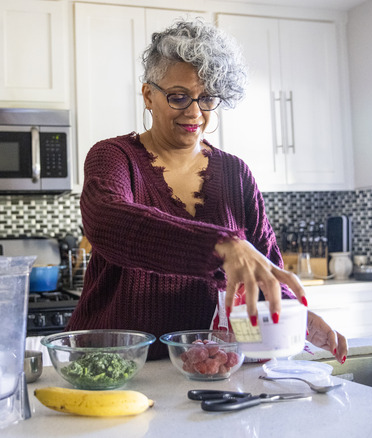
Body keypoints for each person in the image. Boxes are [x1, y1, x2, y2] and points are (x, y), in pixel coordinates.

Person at [65, 18, 347, 363]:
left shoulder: (235, 172)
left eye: (207, 97)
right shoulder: (114, 156)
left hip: (210, 368)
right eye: (179, 97)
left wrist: (293, 316)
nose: (195, 112)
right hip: (115, 367)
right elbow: (108, 221)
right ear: (148, 95)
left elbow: (264, 265)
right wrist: (221, 244)